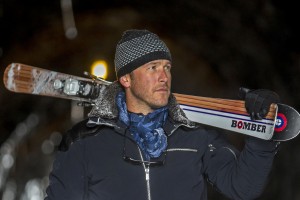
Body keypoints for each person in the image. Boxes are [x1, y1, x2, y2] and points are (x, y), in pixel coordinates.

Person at [45, 29, 280, 200]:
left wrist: (260, 131)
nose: (164, 76)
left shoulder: (194, 135)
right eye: (153, 67)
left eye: (167, 67)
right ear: (126, 79)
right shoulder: (83, 141)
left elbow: (242, 187)